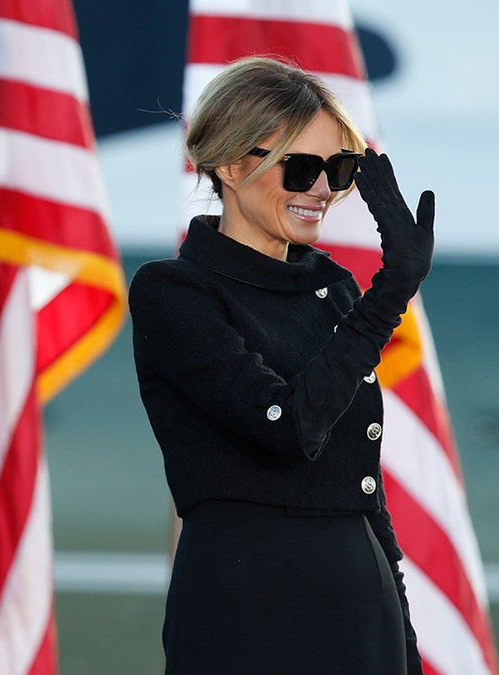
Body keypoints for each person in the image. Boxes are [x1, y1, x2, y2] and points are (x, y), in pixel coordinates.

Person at [129, 56, 432, 674]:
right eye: (301, 168)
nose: (322, 189)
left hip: (358, 597)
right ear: (231, 166)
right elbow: (287, 428)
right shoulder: (175, 291)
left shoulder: (335, 287)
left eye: (339, 169)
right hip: (245, 604)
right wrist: (390, 292)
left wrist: (401, 638)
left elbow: (361, 487)